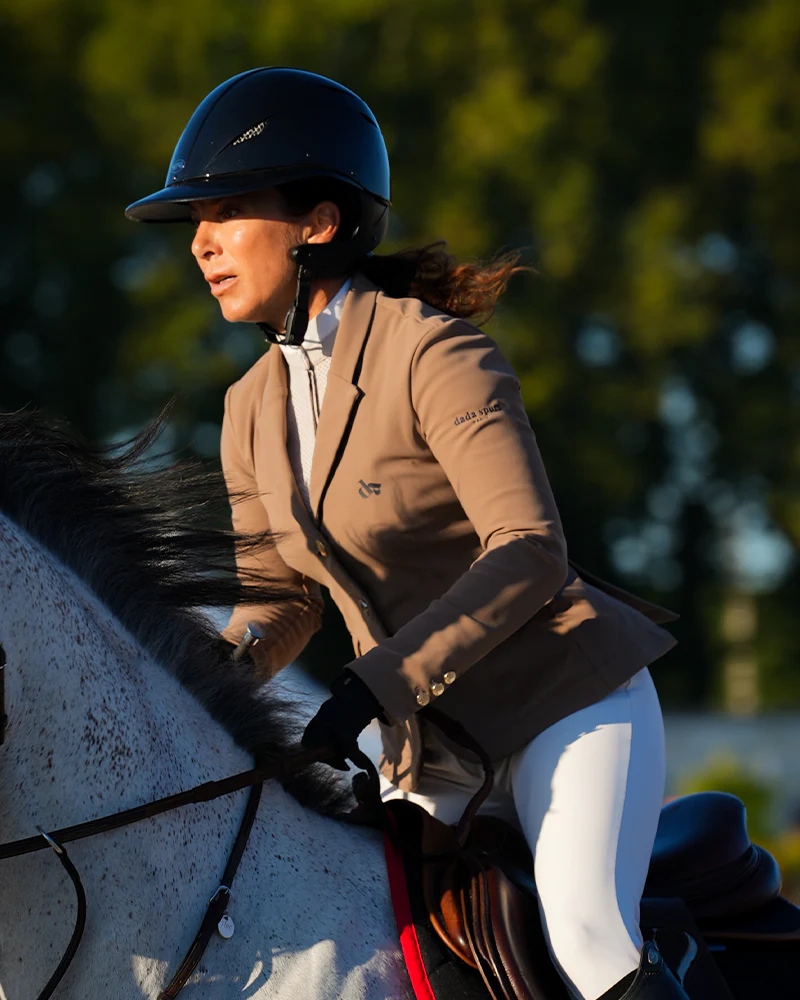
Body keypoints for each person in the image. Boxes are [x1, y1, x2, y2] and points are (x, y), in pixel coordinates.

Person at [126, 68, 689, 1000]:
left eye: (224, 211)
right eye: (194, 223)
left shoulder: (436, 353)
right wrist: (209, 678)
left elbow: (530, 551)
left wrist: (371, 683)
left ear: (318, 222)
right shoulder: (246, 409)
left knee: (586, 932)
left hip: (568, 705)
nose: (200, 243)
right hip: (426, 749)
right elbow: (281, 599)